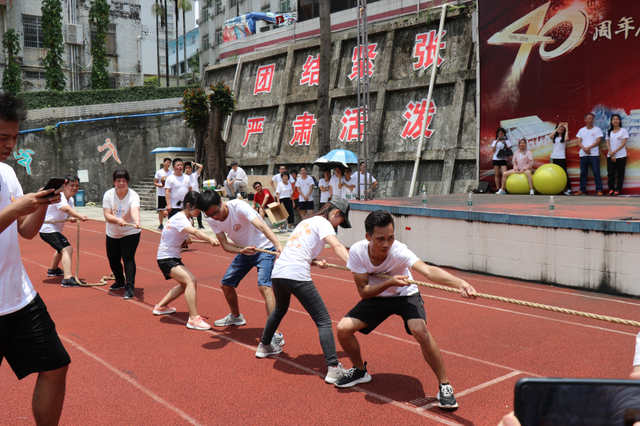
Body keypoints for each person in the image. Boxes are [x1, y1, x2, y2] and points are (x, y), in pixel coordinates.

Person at [335, 210, 476, 410]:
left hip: (405, 295)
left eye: (391, 237)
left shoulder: (399, 251)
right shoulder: (358, 252)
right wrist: (389, 282)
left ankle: (445, 385)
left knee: (420, 331)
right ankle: (359, 370)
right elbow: (363, 292)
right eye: (380, 239)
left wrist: (459, 282)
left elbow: (428, 271)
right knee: (342, 329)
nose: (386, 244)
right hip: (376, 296)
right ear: (368, 237)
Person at [0, 90, 70, 426]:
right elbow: (13, 215)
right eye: (3, 137)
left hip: (19, 297)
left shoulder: (7, 174)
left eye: (14, 137)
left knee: (56, 365)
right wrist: (14, 209)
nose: (10, 145)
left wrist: (41, 204)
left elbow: (26, 231)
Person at [256, 198, 351, 385]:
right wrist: (357, 266)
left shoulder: (305, 221)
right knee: (323, 320)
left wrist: (315, 260)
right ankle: (333, 368)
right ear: (336, 213)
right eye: (341, 221)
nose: (339, 225)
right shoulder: (324, 223)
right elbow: (338, 246)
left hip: (279, 273)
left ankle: (264, 345)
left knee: (279, 310)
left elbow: (300, 249)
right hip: (296, 275)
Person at [197, 190, 285, 346]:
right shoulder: (211, 218)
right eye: (209, 215)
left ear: (221, 202)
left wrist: (278, 244)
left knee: (264, 287)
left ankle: (275, 333)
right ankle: (236, 317)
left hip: (264, 248)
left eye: (216, 212)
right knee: (226, 285)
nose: (215, 217)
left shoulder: (238, 207)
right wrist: (241, 251)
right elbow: (224, 245)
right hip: (245, 251)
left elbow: (262, 226)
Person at [153, 191, 220, 330]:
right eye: (197, 209)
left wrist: (185, 241)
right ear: (188, 205)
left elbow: (180, 240)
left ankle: (160, 307)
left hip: (170, 257)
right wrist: (210, 238)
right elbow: (196, 232)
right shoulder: (181, 218)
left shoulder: (186, 219)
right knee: (191, 281)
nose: (199, 212)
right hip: (166, 258)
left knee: (185, 284)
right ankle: (193, 318)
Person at [39, 174, 89, 288]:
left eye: (77, 185)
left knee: (60, 249)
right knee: (67, 248)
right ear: (64, 185)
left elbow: (64, 213)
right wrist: (79, 216)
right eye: (72, 185)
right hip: (47, 229)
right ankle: (67, 279)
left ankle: (53, 270)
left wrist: (70, 218)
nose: (75, 188)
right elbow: (66, 209)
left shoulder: (70, 199)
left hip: (54, 229)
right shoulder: (59, 196)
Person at [102, 169, 142, 299]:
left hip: (130, 232)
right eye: (118, 181)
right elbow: (107, 215)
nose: (121, 183)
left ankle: (130, 287)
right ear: (113, 182)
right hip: (113, 232)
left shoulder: (134, 195)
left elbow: (135, 210)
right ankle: (119, 280)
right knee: (113, 258)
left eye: (124, 181)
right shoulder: (108, 195)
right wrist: (117, 220)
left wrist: (137, 221)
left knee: (128, 257)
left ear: (128, 182)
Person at [575, 113, 604, 196]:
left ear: (593, 120)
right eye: (588, 118)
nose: (590, 120)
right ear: (585, 119)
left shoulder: (597, 129)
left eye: (591, 119)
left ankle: (599, 190)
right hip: (583, 155)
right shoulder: (581, 130)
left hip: (594, 154)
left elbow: (598, 141)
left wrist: (589, 148)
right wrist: (584, 148)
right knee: (583, 173)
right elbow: (578, 142)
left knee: (596, 172)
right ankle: (582, 189)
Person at [605, 114, 629, 196]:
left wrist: (614, 152)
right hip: (610, 156)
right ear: (611, 121)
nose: (615, 121)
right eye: (613, 119)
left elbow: (623, 143)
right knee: (610, 173)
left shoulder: (623, 131)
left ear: (619, 121)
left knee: (620, 174)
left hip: (621, 155)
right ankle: (611, 189)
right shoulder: (608, 132)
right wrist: (611, 155)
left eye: (617, 119)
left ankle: (617, 189)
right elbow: (607, 144)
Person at [549, 124, 572, 195]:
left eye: (562, 127)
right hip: (554, 157)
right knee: (554, 173)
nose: (561, 128)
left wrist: (566, 128)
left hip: (561, 157)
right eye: (560, 127)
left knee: (564, 173)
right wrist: (557, 129)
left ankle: (569, 189)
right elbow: (550, 136)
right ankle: (555, 188)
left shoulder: (565, 137)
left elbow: (565, 139)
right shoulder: (554, 138)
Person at [184, 161, 204, 229]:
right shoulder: (184, 176)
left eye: (189, 167)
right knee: (190, 208)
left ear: (191, 168)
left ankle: (200, 224)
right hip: (189, 194)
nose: (187, 169)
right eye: (186, 168)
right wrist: (185, 173)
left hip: (196, 193)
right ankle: (191, 224)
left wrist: (194, 163)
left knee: (198, 208)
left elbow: (201, 166)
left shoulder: (195, 174)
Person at [154, 158, 172, 230]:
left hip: (169, 194)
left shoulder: (172, 172)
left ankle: (169, 223)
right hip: (161, 194)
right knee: (161, 209)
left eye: (169, 163)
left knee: (170, 209)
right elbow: (155, 182)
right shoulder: (159, 172)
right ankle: (161, 224)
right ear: (164, 163)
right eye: (167, 162)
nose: (168, 164)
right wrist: (161, 185)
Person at [492, 128, 512, 194]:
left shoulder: (507, 141)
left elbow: (508, 149)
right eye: (499, 134)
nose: (501, 135)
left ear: (504, 134)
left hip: (503, 159)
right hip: (496, 159)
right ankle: (498, 188)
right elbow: (493, 150)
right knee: (497, 174)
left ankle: (503, 188)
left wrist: (504, 141)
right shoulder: (495, 141)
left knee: (504, 174)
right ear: (497, 134)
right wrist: (497, 141)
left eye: (502, 134)